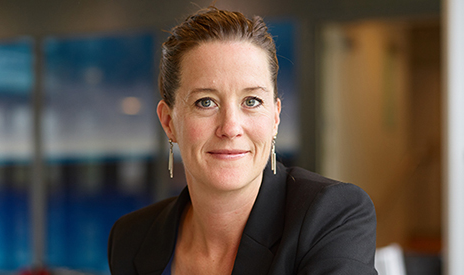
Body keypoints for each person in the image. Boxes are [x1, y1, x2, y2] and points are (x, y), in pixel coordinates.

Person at [108, 6, 377, 275]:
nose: (230, 127)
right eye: (205, 102)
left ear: (274, 117)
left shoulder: (333, 216)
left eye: (251, 101)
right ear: (168, 122)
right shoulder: (131, 237)